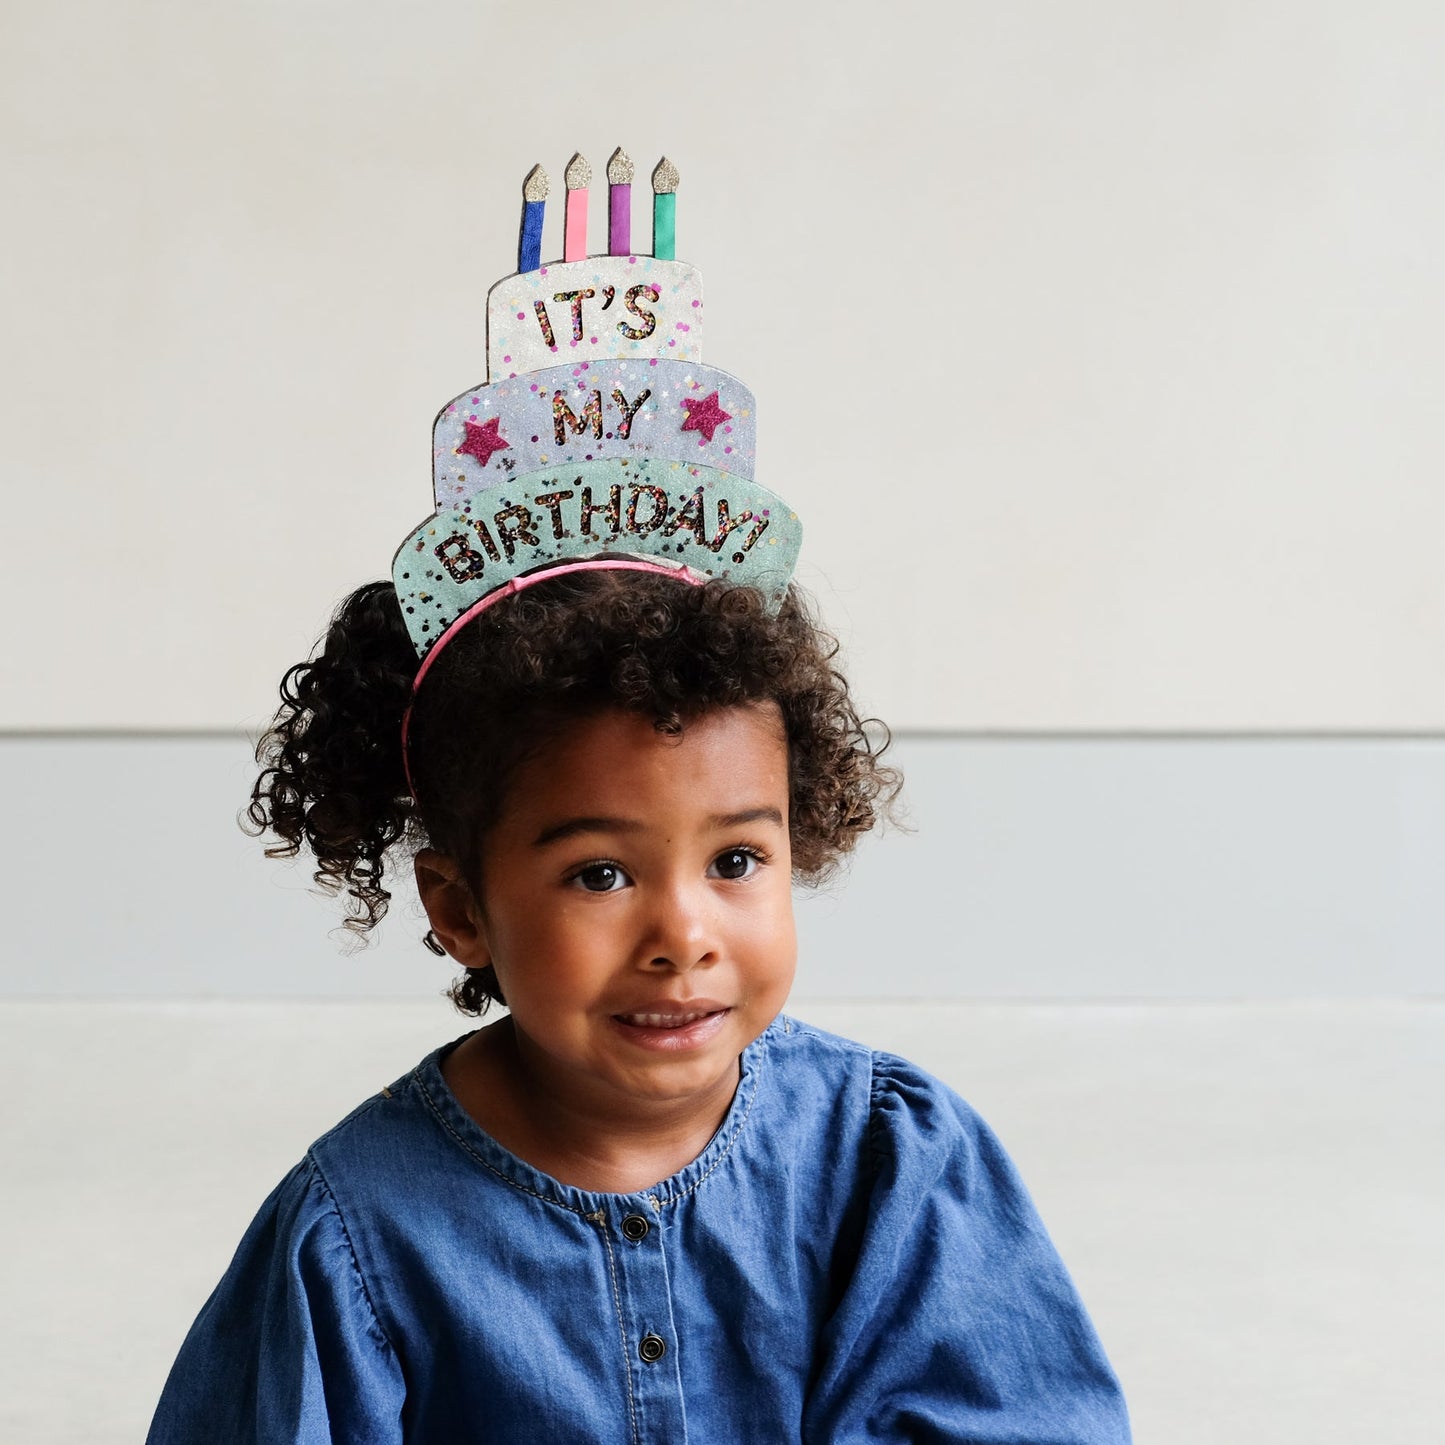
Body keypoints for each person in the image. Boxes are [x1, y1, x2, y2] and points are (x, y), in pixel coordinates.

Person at [146, 560, 1132, 1443]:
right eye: (600, 873)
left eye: (735, 859)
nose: (683, 936)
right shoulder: (356, 1231)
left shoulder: (889, 1157)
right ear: (460, 909)